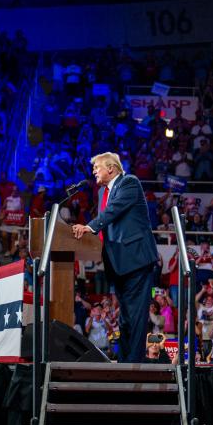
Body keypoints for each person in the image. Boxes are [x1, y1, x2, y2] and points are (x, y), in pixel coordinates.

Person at [71, 152, 157, 363]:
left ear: (110, 168)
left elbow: (113, 211)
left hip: (136, 260)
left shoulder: (129, 182)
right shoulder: (102, 192)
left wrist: (89, 226)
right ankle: (125, 362)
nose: (93, 172)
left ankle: (133, 366)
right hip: (118, 263)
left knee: (136, 318)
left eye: (97, 168)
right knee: (125, 319)